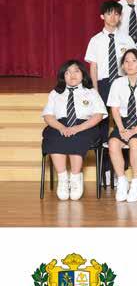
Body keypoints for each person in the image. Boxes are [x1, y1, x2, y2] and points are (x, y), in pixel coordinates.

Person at [41, 60, 106, 200]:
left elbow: (99, 115)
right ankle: (63, 178)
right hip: (60, 124)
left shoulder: (91, 92)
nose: (72, 75)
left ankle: (76, 177)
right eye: (67, 72)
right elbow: (48, 115)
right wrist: (61, 127)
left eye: (76, 71)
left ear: (83, 74)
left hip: (85, 125)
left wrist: (78, 128)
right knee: (53, 137)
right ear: (62, 76)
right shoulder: (55, 93)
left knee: (78, 137)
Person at [85, 1, 136, 156]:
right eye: (109, 13)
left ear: (120, 17)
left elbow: (133, 63)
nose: (113, 17)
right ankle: (103, 163)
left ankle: (124, 160)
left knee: (125, 118)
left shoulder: (127, 39)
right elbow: (93, 66)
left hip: (123, 82)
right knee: (103, 121)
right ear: (102, 16)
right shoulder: (95, 40)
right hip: (104, 83)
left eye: (116, 14)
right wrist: (95, 90)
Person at [107, 49, 137, 202]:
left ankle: (136, 182)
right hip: (123, 123)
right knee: (113, 143)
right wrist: (121, 128)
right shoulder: (117, 83)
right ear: (122, 66)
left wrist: (135, 130)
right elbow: (114, 109)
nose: (129, 64)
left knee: (135, 142)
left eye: (134, 61)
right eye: (126, 61)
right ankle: (122, 181)